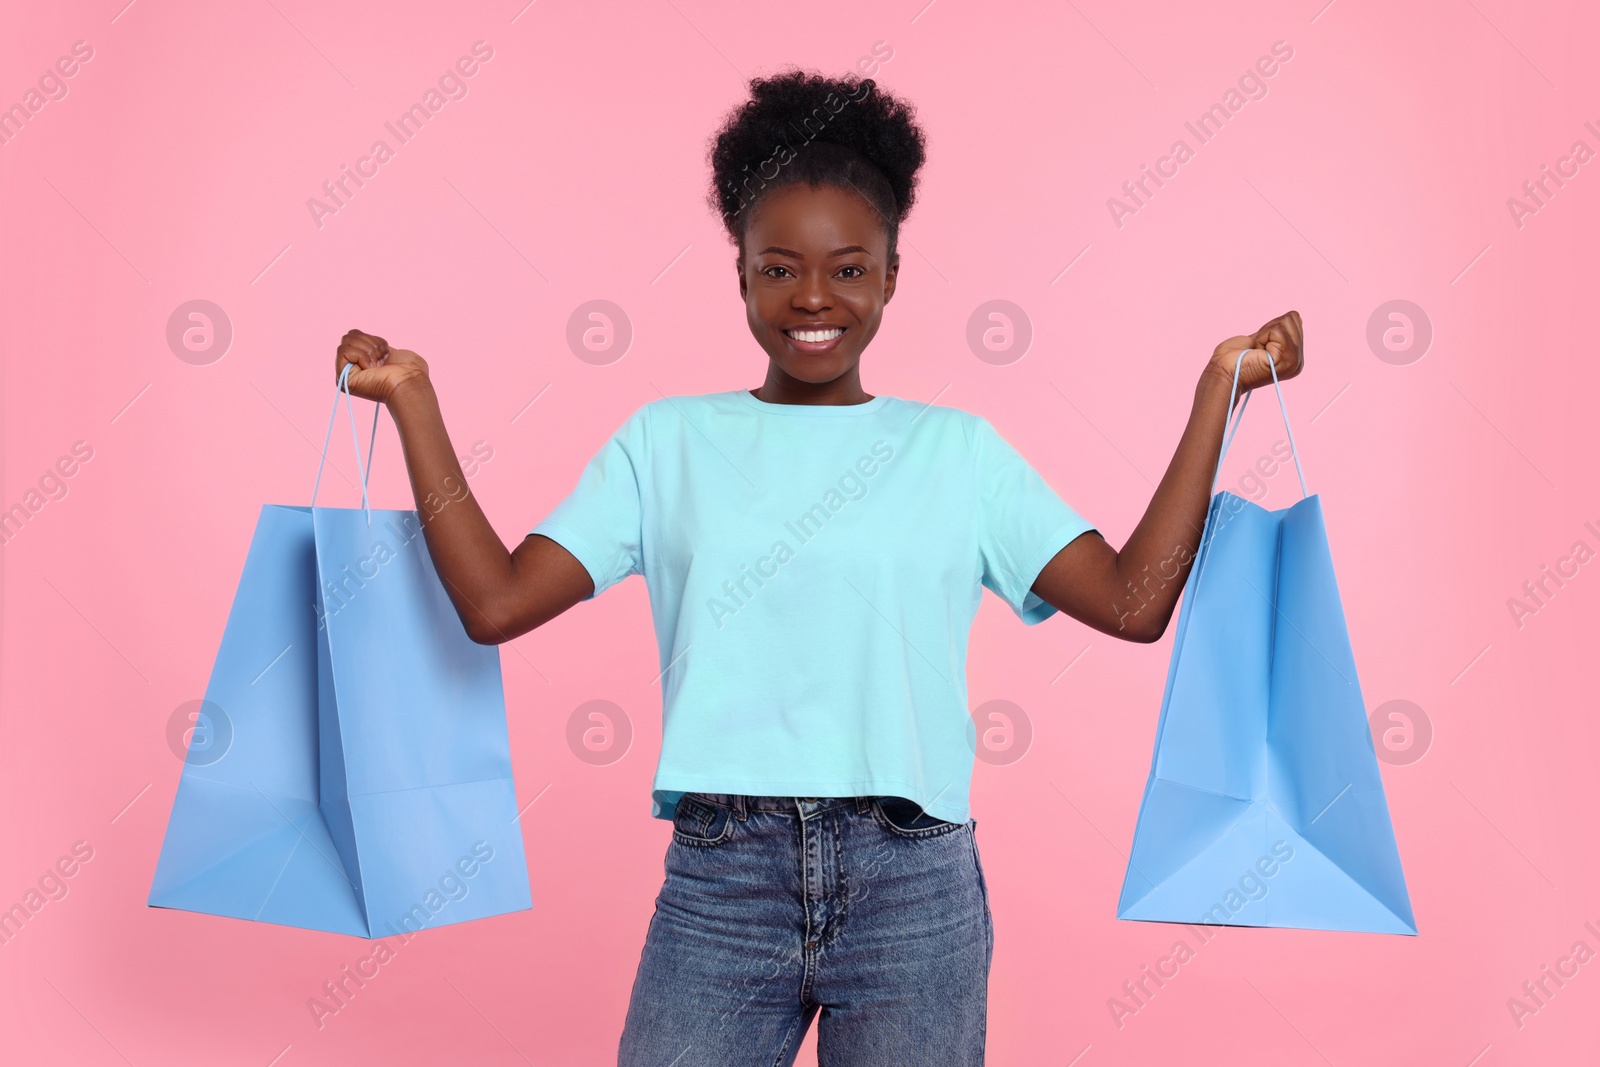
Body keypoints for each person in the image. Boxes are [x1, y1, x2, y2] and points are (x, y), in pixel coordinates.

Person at [333, 68, 1303, 1067]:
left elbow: (1133, 602)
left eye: (846, 270)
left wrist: (1218, 391)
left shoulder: (956, 452)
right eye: (777, 267)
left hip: (913, 883)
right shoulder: (662, 443)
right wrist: (414, 401)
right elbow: (493, 602)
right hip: (722, 880)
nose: (810, 298)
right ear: (741, 275)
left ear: (889, 276)